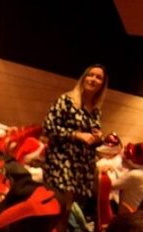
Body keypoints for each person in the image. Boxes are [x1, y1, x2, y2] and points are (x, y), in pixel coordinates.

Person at [42, 64, 108, 220]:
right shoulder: (67, 100)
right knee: (56, 207)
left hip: (82, 167)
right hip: (61, 162)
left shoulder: (96, 110)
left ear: (102, 85)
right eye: (90, 75)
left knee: (68, 209)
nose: (93, 79)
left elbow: (91, 138)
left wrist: (98, 138)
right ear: (84, 77)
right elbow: (48, 127)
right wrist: (76, 135)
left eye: (98, 77)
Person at [108, 142, 143, 213]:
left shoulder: (135, 174)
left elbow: (111, 185)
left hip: (131, 215)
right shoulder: (140, 172)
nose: (123, 159)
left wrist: (106, 167)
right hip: (134, 212)